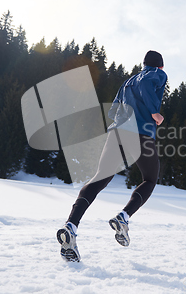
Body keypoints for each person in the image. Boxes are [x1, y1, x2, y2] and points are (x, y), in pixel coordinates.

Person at [57, 50, 167, 262]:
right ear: (159, 65)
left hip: (117, 132)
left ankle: (71, 225)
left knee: (100, 178)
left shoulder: (127, 82)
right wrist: (154, 112)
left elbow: (113, 110)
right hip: (141, 133)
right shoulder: (156, 74)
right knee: (150, 179)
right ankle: (124, 217)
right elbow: (146, 85)